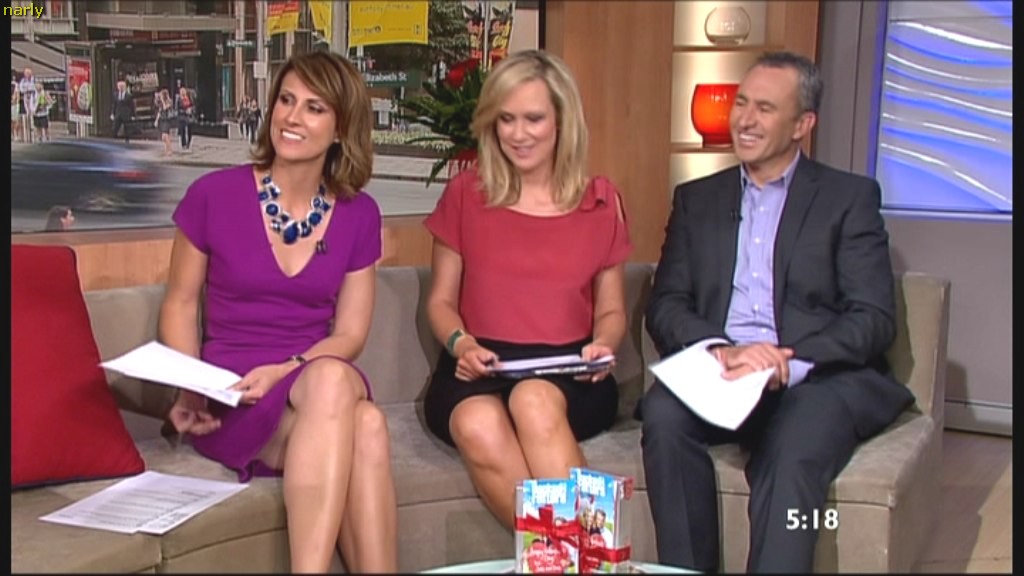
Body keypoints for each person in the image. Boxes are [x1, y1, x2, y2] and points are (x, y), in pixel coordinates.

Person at [639, 51, 915, 573]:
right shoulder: (697, 199)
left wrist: (784, 359)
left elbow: (872, 317)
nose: (745, 119)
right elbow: (667, 304)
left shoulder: (847, 198)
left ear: (802, 125)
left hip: (814, 376)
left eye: (765, 108)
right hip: (723, 368)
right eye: (742, 103)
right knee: (663, 415)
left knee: (792, 452)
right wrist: (724, 350)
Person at [159, 50, 396, 573]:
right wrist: (189, 388)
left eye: (314, 107)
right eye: (287, 100)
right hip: (235, 394)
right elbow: (180, 303)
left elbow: (351, 334)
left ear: (341, 128)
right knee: (365, 423)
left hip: (310, 377)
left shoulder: (360, 214)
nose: (292, 117)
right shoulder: (212, 195)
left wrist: (287, 369)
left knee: (344, 397)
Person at [422, 50, 633, 530]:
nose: (517, 134)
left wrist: (605, 345)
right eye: (506, 119)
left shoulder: (601, 202)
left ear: (562, 121)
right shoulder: (466, 194)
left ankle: (582, 553)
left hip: (569, 373)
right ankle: (573, 555)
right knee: (477, 423)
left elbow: (612, 312)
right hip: (478, 365)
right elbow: (441, 302)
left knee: (532, 400)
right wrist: (461, 344)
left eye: (533, 119)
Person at [175, 84, 196, 150]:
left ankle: (188, 143)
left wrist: (191, 110)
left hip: (189, 116)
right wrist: (185, 111)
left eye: (184, 92)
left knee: (190, 130)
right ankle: (183, 144)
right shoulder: (178, 99)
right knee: (182, 130)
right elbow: (177, 109)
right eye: (181, 92)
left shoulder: (189, 97)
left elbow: (193, 106)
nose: (183, 93)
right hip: (182, 116)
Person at [154, 89, 175, 156]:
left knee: (165, 135)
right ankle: (167, 149)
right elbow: (159, 112)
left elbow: (165, 108)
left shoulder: (169, 101)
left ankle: (170, 150)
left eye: (161, 95)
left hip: (167, 120)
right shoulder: (160, 103)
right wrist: (156, 120)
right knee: (164, 137)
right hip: (162, 120)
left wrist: (163, 101)